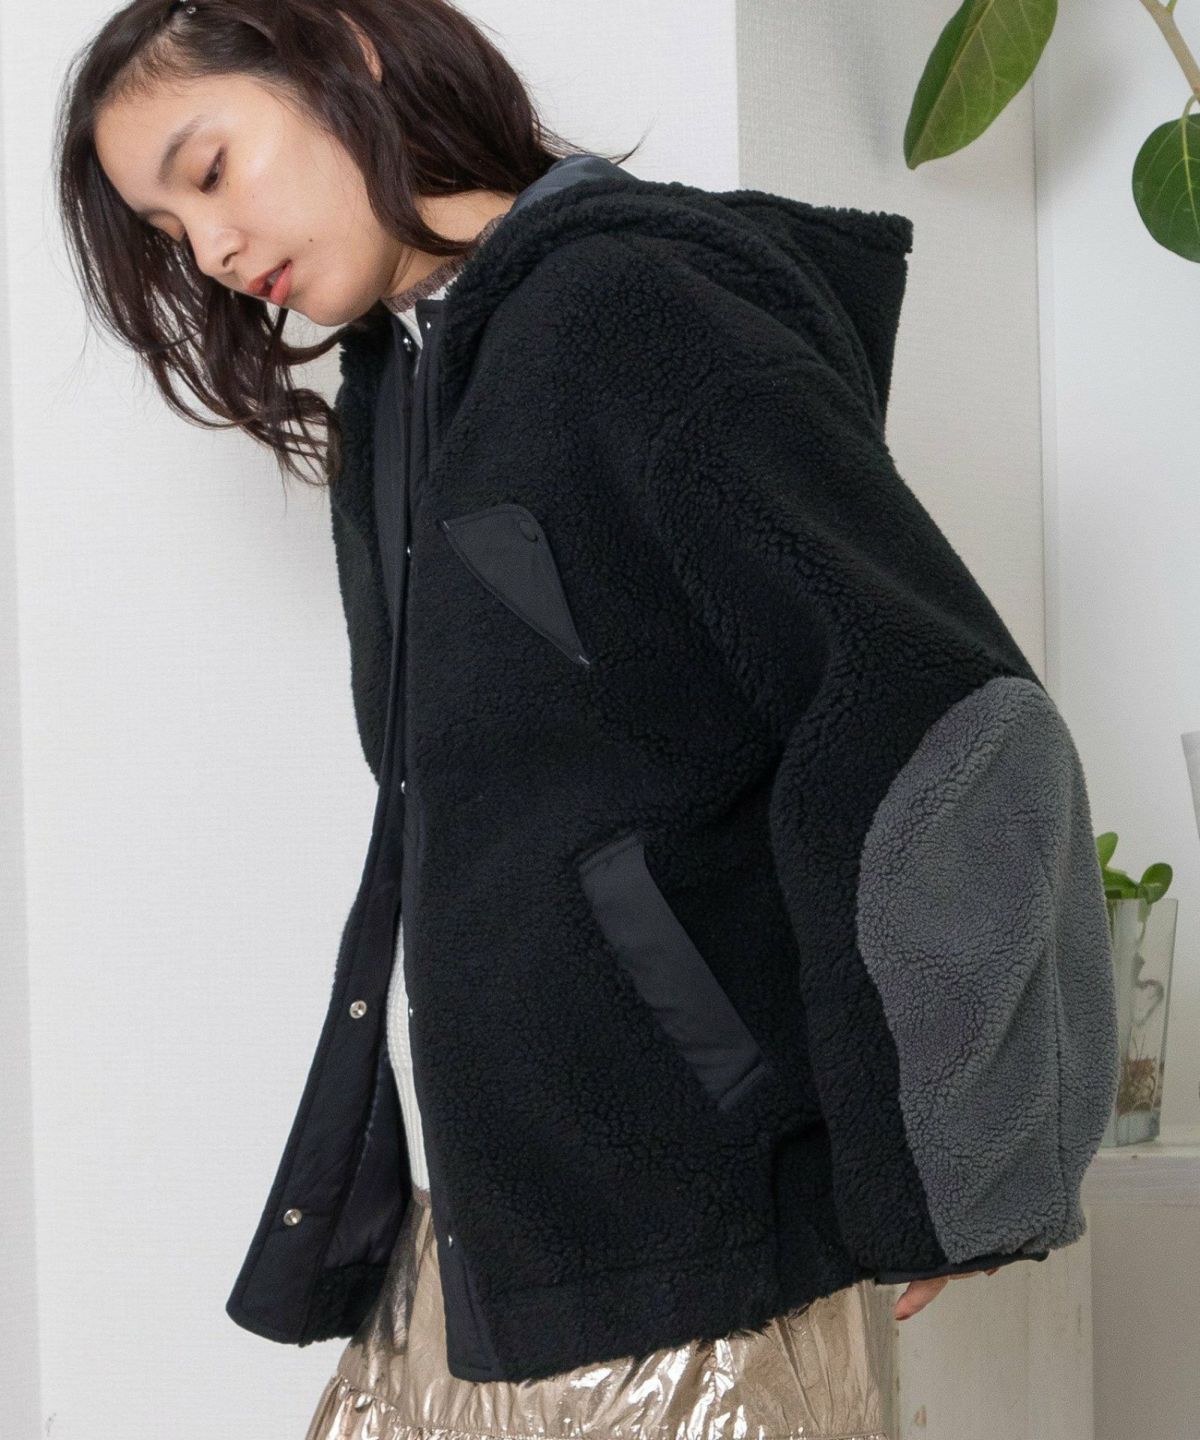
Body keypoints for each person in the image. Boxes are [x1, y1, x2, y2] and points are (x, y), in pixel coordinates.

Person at [56, 1, 1120, 1437]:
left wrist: (962, 1162)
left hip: (695, 1256)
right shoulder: (408, 384)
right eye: (169, 230)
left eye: (210, 170)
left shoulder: (624, 312)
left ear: (348, 54)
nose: (214, 250)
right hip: (491, 1241)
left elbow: (930, 711)